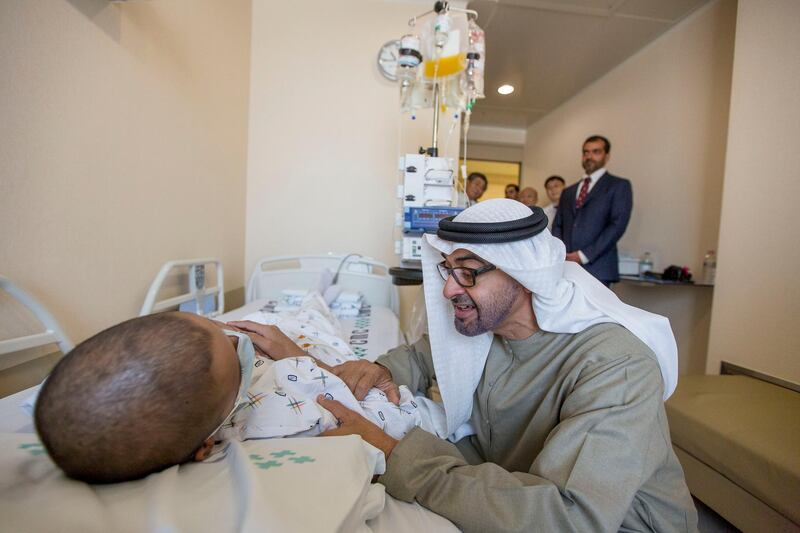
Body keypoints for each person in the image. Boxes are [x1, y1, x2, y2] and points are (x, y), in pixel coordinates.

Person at [287, 200, 696, 532]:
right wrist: (382, 370)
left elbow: (572, 516)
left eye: (467, 273)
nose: (449, 288)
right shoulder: (487, 324)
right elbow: (420, 356)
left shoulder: (615, 367)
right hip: (516, 487)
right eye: (448, 270)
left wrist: (399, 456)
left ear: (522, 276)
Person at [553, 135, 632, 286]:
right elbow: (558, 224)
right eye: (586, 152)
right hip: (565, 266)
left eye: (596, 152)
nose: (589, 156)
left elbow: (617, 225)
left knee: (594, 310)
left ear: (606, 156)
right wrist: (561, 253)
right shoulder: (568, 191)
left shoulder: (619, 186)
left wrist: (583, 255)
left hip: (598, 267)